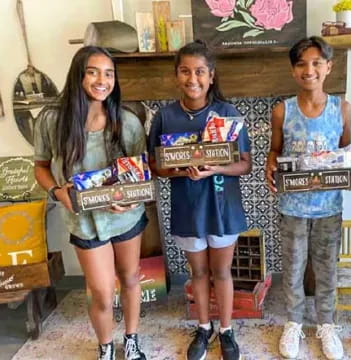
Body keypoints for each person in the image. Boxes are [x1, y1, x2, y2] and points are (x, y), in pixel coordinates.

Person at [34, 46, 148, 360]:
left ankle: (132, 340)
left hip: (125, 219)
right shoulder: (51, 120)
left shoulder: (126, 121)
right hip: (84, 222)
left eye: (109, 73)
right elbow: (41, 166)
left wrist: (130, 198)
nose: (102, 80)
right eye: (93, 71)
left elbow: (139, 174)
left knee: (130, 278)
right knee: (100, 290)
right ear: (79, 74)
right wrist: (57, 192)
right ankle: (105, 347)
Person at [148, 40, 251, 360]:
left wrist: (214, 169)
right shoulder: (165, 117)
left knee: (222, 273)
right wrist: (181, 170)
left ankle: (226, 329)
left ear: (211, 76)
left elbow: (245, 163)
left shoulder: (228, 114)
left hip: (222, 208)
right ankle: (203, 327)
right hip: (188, 208)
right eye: (185, 71)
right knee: (198, 274)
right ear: (176, 75)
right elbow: (155, 165)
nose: (193, 78)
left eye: (200, 72)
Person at [266, 36, 351, 360]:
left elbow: (346, 150)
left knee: (326, 269)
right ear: (293, 71)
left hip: (329, 208)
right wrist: (269, 164)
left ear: (329, 67)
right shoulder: (282, 110)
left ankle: (326, 326)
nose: (310, 70)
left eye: (317, 63)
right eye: (302, 64)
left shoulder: (341, 108)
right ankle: (293, 323)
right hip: (292, 207)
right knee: (292, 268)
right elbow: (275, 152)